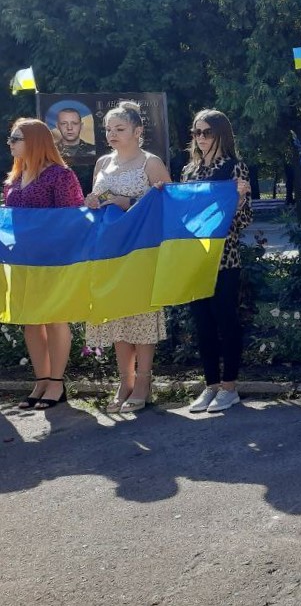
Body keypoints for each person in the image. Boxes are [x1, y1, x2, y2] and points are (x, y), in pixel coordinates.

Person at [84, 102, 172, 414]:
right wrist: (92, 201)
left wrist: (130, 202)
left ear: (137, 131)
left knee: (141, 314)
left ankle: (144, 383)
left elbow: (169, 205)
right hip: (108, 254)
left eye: (119, 128)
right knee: (116, 314)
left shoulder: (151, 163)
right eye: (108, 129)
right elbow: (96, 200)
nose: (112, 134)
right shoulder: (102, 162)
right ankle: (125, 381)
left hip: (140, 253)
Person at [4, 118, 84, 410]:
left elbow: (72, 218)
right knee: (31, 320)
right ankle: (41, 381)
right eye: (11, 138)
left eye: (16, 138)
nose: (10, 143)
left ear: (35, 141)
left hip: (53, 261)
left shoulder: (60, 175)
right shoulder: (14, 179)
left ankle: (56, 383)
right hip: (23, 260)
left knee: (55, 318)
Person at [182, 110, 253, 414]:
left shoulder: (234, 167)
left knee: (226, 318)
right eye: (196, 132)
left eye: (206, 132)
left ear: (221, 134)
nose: (200, 137)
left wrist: (240, 199)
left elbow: (244, 220)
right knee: (202, 322)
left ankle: (229, 386)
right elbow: (183, 214)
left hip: (225, 256)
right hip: (194, 257)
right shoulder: (188, 171)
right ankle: (210, 384)